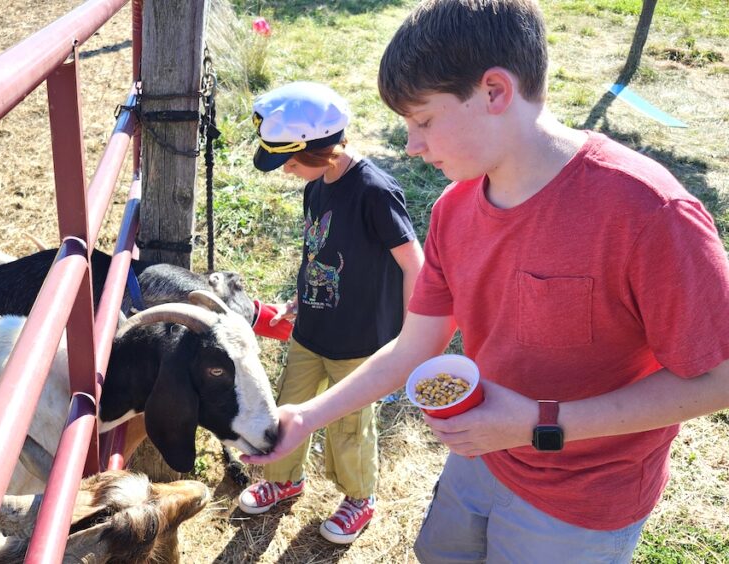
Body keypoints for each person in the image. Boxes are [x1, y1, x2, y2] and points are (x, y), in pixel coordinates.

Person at [241, 1, 729, 562]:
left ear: (495, 92)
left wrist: (542, 425)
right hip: (479, 456)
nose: (412, 146)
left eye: (423, 120)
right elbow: (413, 349)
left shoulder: (647, 211)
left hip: (582, 501)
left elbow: (718, 379)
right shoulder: (453, 210)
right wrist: (307, 416)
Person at [238, 81, 425, 545]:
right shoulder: (317, 185)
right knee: (288, 405)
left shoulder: (375, 192)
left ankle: (360, 497)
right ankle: (285, 479)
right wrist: (300, 300)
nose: (286, 171)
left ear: (322, 150)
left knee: (349, 426)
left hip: (360, 343)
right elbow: (316, 253)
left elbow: (413, 264)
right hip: (311, 330)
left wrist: (409, 340)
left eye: (290, 161)